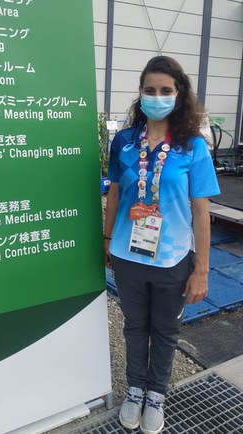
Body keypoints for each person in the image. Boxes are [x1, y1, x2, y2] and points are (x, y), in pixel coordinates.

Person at [103, 56, 219, 434]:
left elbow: (201, 212)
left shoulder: (192, 146)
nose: (157, 97)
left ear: (179, 94)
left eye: (165, 90)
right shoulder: (124, 141)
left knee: (166, 331)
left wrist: (201, 269)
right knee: (135, 326)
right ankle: (135, 389)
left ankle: (156, 394)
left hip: (173, 259)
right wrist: (107, 239)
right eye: (150, 90)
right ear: (140, 94)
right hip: (127, 255)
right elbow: (115, 194)